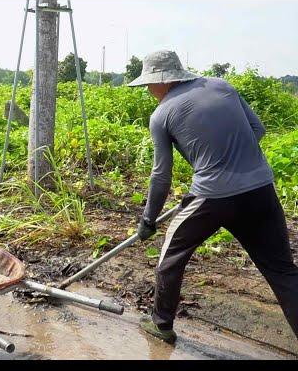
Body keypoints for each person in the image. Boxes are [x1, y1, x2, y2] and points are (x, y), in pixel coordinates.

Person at [128, 50, 298, 344]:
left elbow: (161, 176)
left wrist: (148, 219)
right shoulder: (221, 86)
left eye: (148, 85)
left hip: (213, 196)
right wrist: (231, 158)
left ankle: (161, 324)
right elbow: (258, 128)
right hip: (261, 190)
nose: (148, 91)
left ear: (161, 81)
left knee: (170, 256)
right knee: (283, 271)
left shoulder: (162, 114)